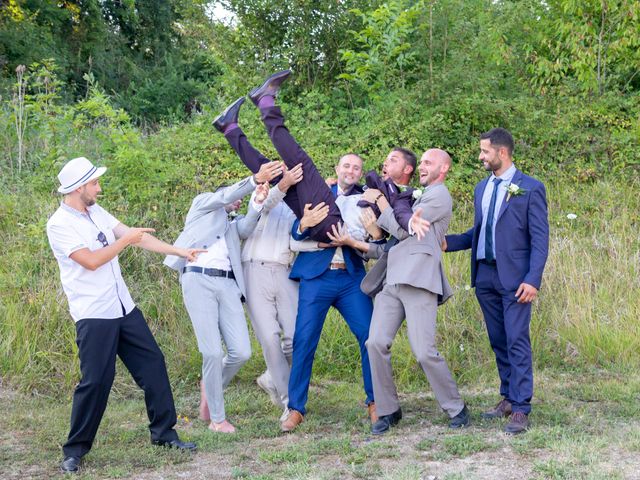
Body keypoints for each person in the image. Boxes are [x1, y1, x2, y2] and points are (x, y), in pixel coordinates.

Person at [46, 157, 202, 474]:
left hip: (124, 308)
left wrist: (180, 252)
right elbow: (90, 261)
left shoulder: (96, 212)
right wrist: (125, 241)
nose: (99, 189)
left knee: (153, 364)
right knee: (96, 382)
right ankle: (74, 450)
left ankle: (164, 434)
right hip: (94, 314)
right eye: (94, 184)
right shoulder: (59, 224)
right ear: (78, 188)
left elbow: (137, 237)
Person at [444, 128, 549, 434]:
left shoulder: (530, 188)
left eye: (484, 151)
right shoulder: (482, 188)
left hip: (516, 279)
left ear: (502, 153)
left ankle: (521, 407)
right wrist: (446, 243)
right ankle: (506, 396)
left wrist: (533, 279)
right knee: (498, 339)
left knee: (517, 339)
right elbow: (478, 232)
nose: (480, 156)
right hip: (485, 275)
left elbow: (540, 240)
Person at [164, 163, 279, 434]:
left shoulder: (230, 226)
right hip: (198, 278)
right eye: (234, 197)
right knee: (212, 352)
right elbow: (224, 196)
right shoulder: (202, 205)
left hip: (228, 284)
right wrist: (253, 180)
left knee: (241, 352)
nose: (236, 201)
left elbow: (248, 227)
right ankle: (217, 419)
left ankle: (210, 382)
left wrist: (257, 201)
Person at [362, 149, 470, 435]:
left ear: (443, 168)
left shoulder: (439, 195)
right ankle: (388, 410)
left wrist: (383, 203)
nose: (422, 166)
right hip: (392, 279)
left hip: (420, 278)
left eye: (428, 162)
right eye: (420, 162)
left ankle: (455, 406)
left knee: (423, 351)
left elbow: (404, 229)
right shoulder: (413, 195)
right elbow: (397, 228)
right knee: (375, 342)